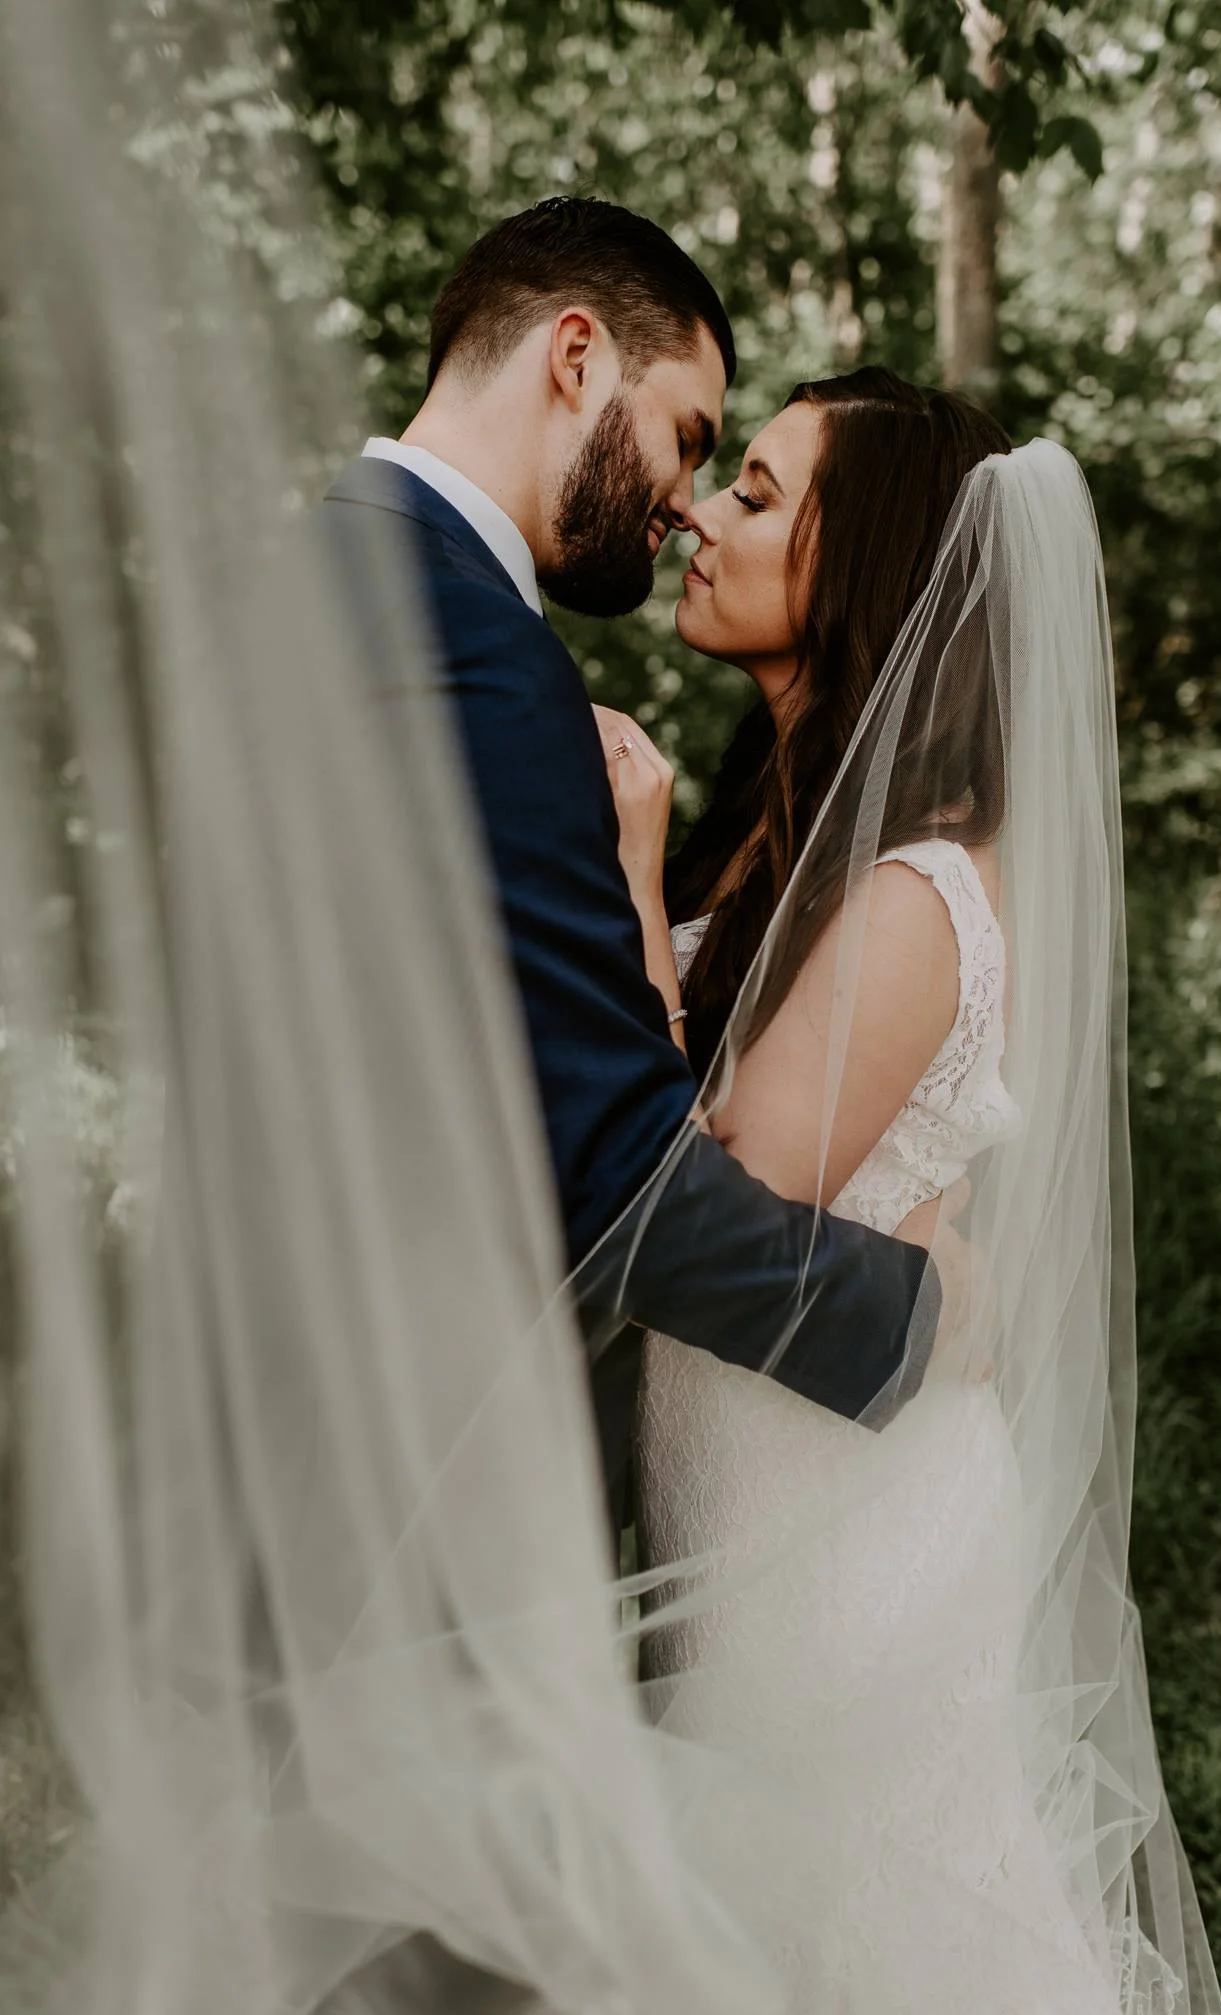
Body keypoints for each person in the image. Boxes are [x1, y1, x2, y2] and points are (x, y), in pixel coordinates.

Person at [594, 373, 1221, 2015]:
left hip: (839, 1512)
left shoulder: (910, 894)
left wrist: (633, 884)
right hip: (761, 1464)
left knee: (852, 1940)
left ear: (859, 560)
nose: (697, 516)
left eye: (752, 492)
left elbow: (705, 1199)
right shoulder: (794, 832)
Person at [317, 200, 939, 1525]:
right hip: (400, 1476)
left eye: (736, 479)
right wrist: (915, 1316)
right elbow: (604, 1174)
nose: (683, 500)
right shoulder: (483, 657)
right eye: (689, 440)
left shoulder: (322, 569)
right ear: (576, 357)